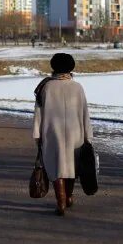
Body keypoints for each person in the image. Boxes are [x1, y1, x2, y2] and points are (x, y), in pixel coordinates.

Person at [33, 53, 93, 216]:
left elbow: (39, 112)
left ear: (54, 67)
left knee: (54, 166)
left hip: (52, 133)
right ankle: (69, 197)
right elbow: (84, 113)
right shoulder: (77, 87)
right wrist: (88, 135)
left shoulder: (46, 87)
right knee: (72, 166)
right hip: (76, 133)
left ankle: (61, 201)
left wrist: (37, 134)